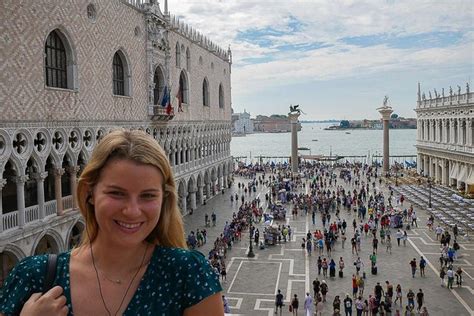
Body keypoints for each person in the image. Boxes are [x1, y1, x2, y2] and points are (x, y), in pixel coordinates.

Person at [0, 130, 224, 316]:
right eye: (117, 193)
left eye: (147, 196)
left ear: (164, 199)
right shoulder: (33, 276)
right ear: (89, 193)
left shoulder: (188, 276)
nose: (132, 211)